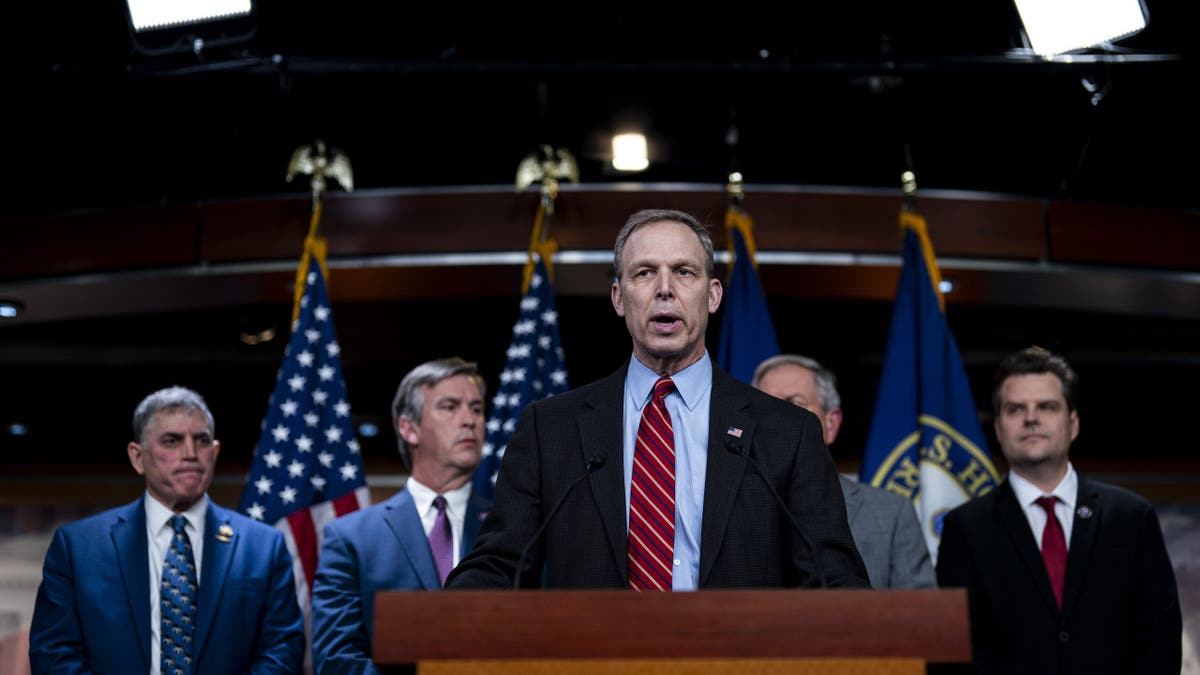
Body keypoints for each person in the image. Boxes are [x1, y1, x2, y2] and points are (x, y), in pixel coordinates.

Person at [447, 208, 868, 590]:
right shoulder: (549, 429)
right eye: (645, 272)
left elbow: (834, 580)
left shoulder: (787, 433)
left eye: (684, 272)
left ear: (713, 295)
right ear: (618, 298)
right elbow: (499, 566)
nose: (665, 289)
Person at [936, 347, 1181, 674]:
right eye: (1015, 409)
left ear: (1073, 423)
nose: (1031, 418)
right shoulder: (965, 528)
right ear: (998, 428)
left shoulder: (1131, 516)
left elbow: (1159, 637)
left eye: (1047, 407)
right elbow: (957, 651)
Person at [29, 386, 304, 674]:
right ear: (138, 457)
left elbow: (282, 651)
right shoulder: (78, 548)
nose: (190, 453)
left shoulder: (263, 547)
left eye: (201, 441)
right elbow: (54, 655)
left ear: (214, 452)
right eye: (172, 441)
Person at [311, 357, 491, 673]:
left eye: (476, 409)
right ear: (409, 429)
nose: (469, 420)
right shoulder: (351, 538)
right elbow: (336, 659)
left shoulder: (515, 528)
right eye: (450, 407)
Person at [752, 353, 936, 589]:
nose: (778, 420)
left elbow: (920, 615)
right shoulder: (727, 507)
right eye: (767, 406)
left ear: (831, 424)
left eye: (794, 405)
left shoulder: (891, 514)